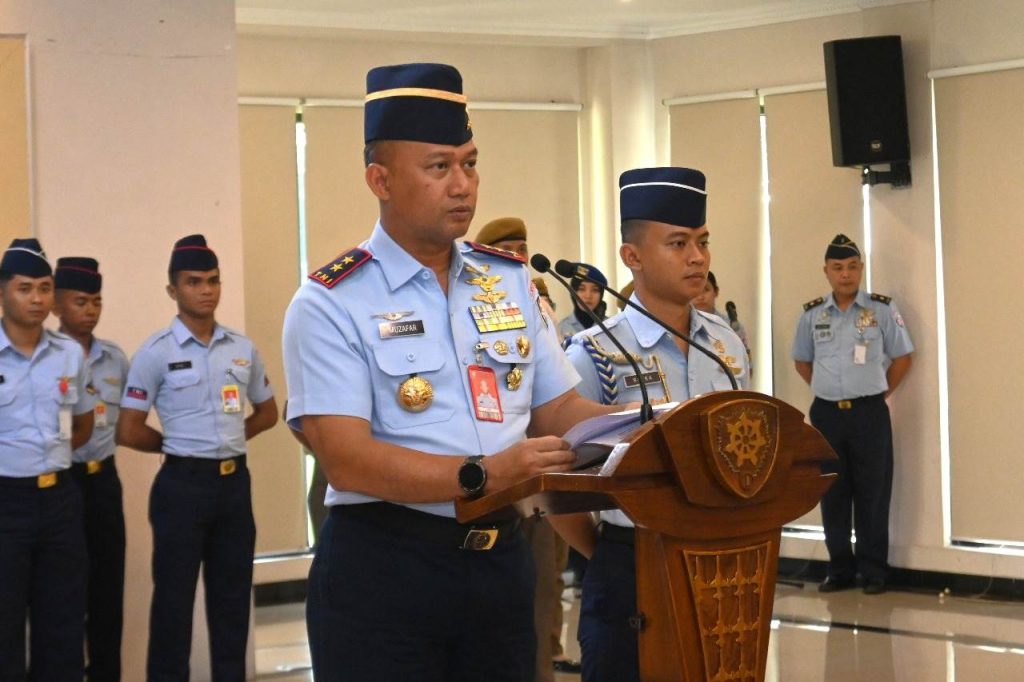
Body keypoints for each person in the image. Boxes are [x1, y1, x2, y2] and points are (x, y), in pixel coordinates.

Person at [281, 62, 616, 682]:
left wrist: (652, 425)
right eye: (439, 167)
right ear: (380, 179)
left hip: (499, 564)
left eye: (470, 163)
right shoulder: (331, 301)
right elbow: (347, 460)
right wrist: (485, 474)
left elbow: (559, 412)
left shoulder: (507, 282)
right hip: (385, 570)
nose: (463, 185)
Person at [555, 167, 750, 682]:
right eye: (678, 243)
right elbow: (558, 482)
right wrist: (609, 553)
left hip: (720, 558)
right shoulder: (595, 352)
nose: (698, 257)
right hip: (631, 562)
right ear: (632, 256)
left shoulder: (726, 343)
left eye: (703, 242)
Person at [116, 234, 278, 681]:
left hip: (233, 486)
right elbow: (128, 429)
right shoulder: (156, 352)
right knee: (173, 603)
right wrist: (177, 447)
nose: (206, 290)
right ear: (173, 289)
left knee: (232, 602)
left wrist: (230, 439)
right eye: (193, 282)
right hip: (181, 488)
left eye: (213, 280)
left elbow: (268, 413)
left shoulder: (241, 349)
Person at [475, 216, 579, 678]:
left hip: (540, 469)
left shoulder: (536, 302)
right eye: (508, 249)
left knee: (544, 581)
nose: (518, 257)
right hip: (487, 479)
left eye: (522, 248)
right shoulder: (475, 306)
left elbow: (555, 398)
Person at [792, 233, 913, 595]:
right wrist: (830, 390)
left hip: (869, 413)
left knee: (873, 491)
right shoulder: (812, 315)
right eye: (837, 267)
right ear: (826, 272)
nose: (845, 274)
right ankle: (840, 569)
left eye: (852, 267)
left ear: (861, 269)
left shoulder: (881, 310)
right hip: (827, 415)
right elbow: (802, 361)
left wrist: (877, 393)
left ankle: (873, 570)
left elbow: (903, 357)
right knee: (833, 491)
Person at [0, 238, 95, 681]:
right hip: (6, 502)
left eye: (44, 288)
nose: (36, 299)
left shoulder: (69, 354)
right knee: (4, 624)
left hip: (59, 500)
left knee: (62, 622)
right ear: (3, 291)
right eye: (25, 288)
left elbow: (83, 424)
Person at [54, 257, 129, 682]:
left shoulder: (115, 359)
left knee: (107, 591)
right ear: (57, 305)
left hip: (103, 481)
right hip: (61, 483)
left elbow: (130, 419)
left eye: (96, 302)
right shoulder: (47, 357)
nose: (90, 310)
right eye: (80, 302)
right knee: (61, 595)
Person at [693, 270, 751, 356]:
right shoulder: (683, 326)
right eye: (696, 291)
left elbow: (745, 359)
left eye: (706, 290)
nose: (700, 297)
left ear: (716, 292)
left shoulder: (731, 326)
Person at [557, 263, 608, 342]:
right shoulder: (561, 328)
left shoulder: (610, 327)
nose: (588, 296)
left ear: (601, 295)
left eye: (595, 290)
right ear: (573, 292)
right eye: (581, 289)